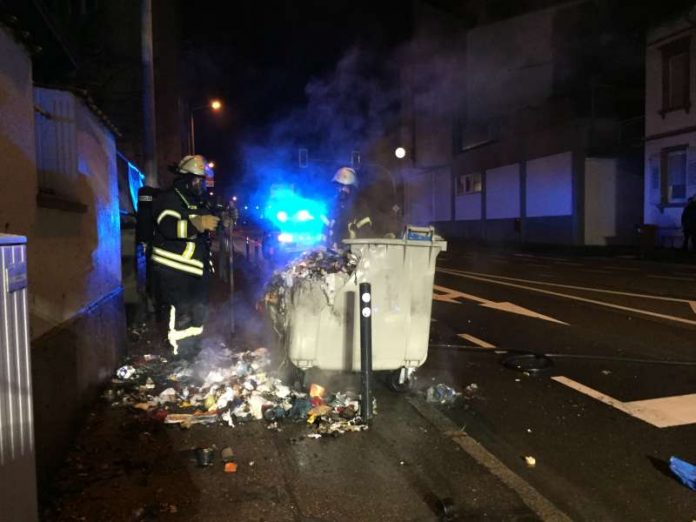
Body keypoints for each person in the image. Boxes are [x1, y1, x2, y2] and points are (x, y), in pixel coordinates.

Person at [151, 155, 219, 358]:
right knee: (182, 311)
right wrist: (198, 224)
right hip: (173, 266)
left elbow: (208, 221)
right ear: (186, 179)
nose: (200, 185)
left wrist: (222, 219)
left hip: (196, 267)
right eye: (197, 180)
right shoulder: (169, 199)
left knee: (199, 311)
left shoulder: (197, 200)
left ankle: (193, 350)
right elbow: (169, 227)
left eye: (202, 180)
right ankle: (180, 355)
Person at [324, 167, 373, 249]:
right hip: (331, 254)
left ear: (352, 188)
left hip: (354, 255)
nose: (342, 190)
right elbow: (324, 232)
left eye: (346, 187)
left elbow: (366, 234)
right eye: (339, 186)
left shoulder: (360, 207)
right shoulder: (330, 206)